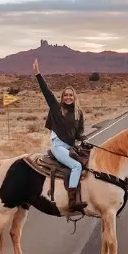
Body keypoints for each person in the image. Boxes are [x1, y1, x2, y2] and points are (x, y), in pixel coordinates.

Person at [33, 58, 88, 213]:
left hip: (71, 146)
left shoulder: (79, 113)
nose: (68, 97)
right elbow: (47, 93)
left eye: (71, 95)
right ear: (63, 97)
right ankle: (72, 201)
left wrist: (85, 140)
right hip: (58, 146)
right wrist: (38, 74)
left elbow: (79, 134)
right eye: (66, 95)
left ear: (74, 97)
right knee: (76, 166)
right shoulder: (57, 109)